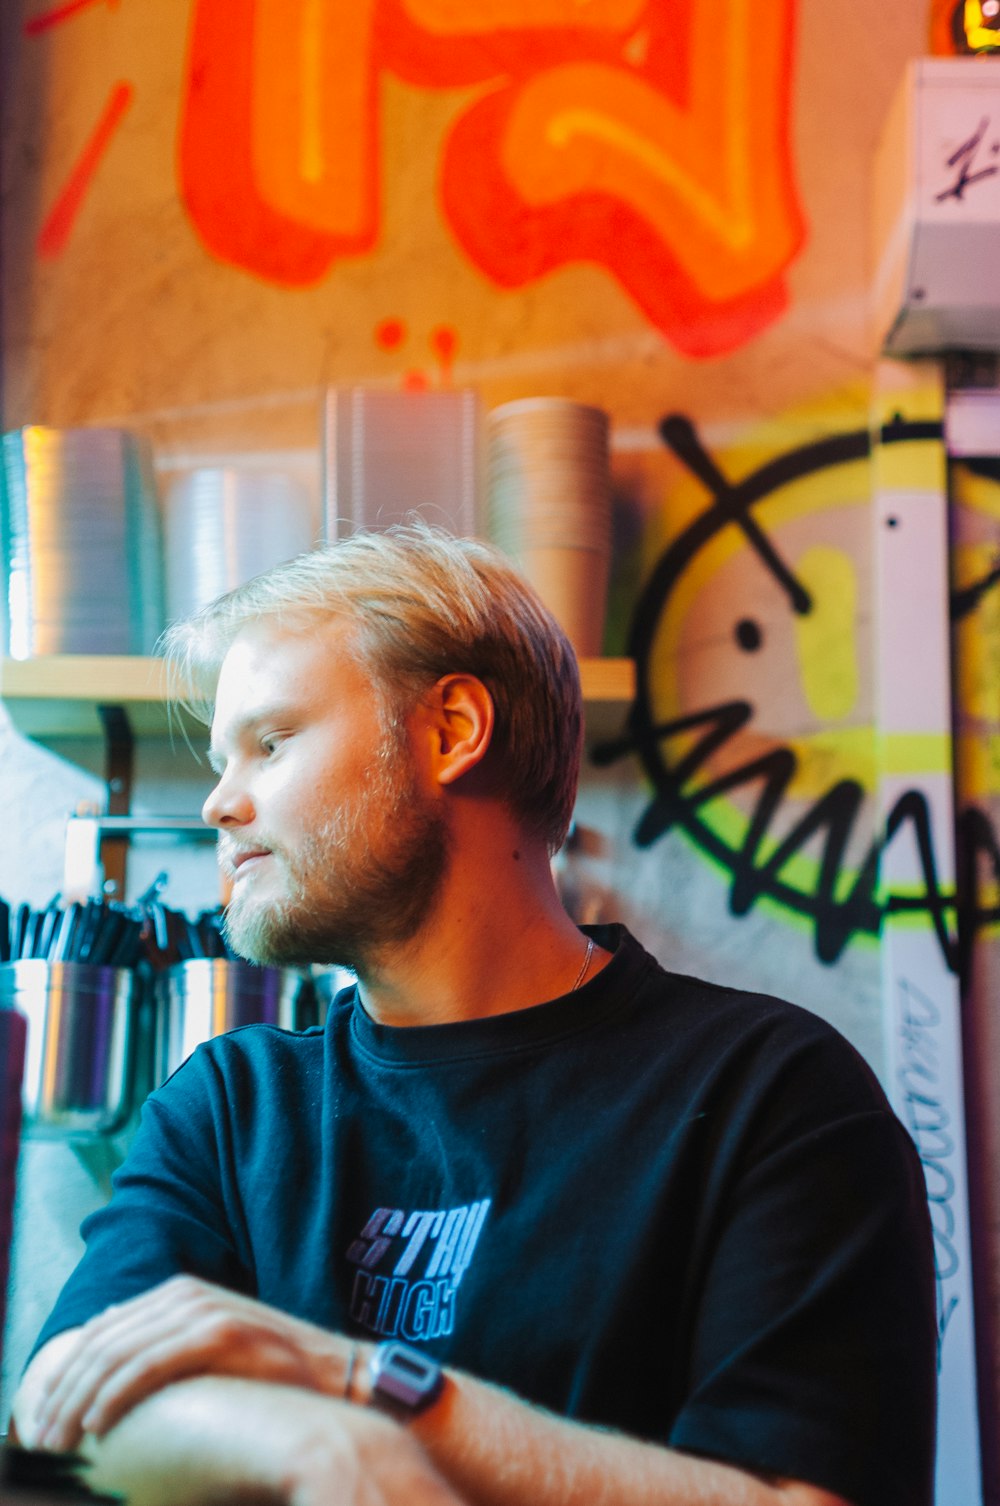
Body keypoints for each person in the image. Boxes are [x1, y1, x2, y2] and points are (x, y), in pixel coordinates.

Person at [14, 526, 936, 1506]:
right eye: (217, 758)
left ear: (453, 729)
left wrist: (363, 1389)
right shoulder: (228, 1107)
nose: (216, 805)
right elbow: (55, 1416)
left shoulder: (772, 1094)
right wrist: (316, 1445)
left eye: (269, 742)